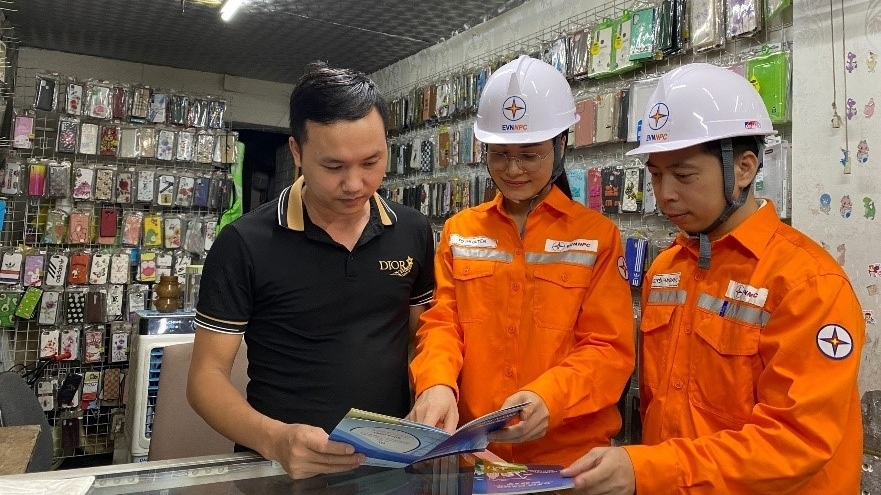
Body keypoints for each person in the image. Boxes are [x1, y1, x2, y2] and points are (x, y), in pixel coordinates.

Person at [562, 63, 864, 494]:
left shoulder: (807, 284)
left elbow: (795, 441)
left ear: (744, 168)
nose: (665, 194)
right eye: (655, 174)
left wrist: (652, 470)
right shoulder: (665, 271)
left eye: (683, 175)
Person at [187, 61, 435, 480]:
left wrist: (434, 391)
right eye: (334, 167)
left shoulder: (412, 231)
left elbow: (422, 339)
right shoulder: (245, 243)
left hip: (388, 469)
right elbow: (204, 379)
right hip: (281, 471)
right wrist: (274, 439)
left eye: (371, 162)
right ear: (297, 152)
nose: (354, 184)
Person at [407, 55, 635, 466]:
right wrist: (435, 382)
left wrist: (551, 397)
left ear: (561, 146)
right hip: (475, 454)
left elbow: (608, 349)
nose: (513, 170)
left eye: (530, 156)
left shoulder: (597, 237)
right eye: (499, 154)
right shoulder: (460, 231)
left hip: (567, 462)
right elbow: (442, 324)